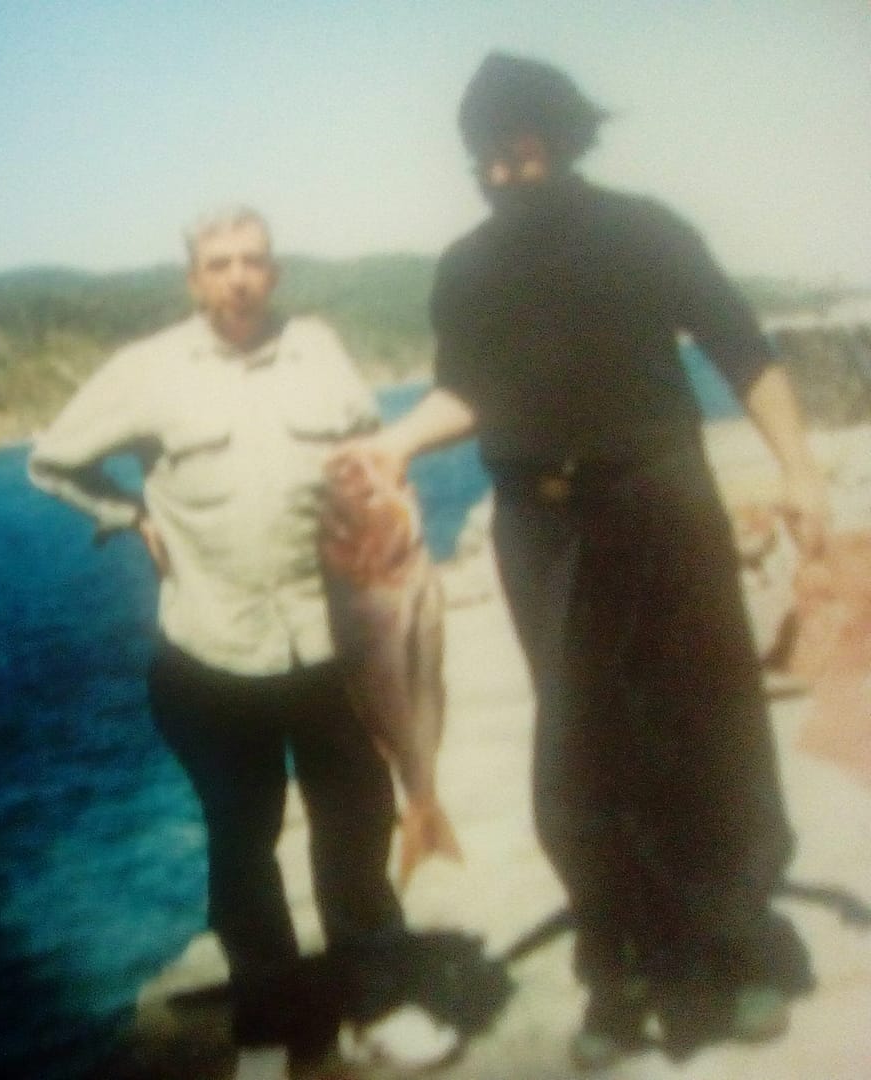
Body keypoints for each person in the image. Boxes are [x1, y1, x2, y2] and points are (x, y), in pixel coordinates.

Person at [333, 53, 828, 1069]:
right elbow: (465, 390)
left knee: (707, 723)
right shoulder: (465, 267)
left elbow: (742, 349)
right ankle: (619, 964)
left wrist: (800, 472)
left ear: (562, 139)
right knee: (579, 745)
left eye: (519, 150)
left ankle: (734, 948)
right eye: (486, 157)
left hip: (662, 501)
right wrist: (394, 442)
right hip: (540, 525)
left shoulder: (645, 231)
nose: (504, 172)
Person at [28, 208, 462, 1078]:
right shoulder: (146, 370)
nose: (237, 278)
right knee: (241, 842)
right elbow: (51, 459)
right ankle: (268, 1022)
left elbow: (369, 453)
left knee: (356, 825)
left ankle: (377, 1004)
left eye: (253, 261)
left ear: (275, 272)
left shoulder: (320, 350)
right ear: (194, 278)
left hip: (335, 643)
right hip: (212, 650)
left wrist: (391, 500)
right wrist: (131, 514)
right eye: (218, 263)